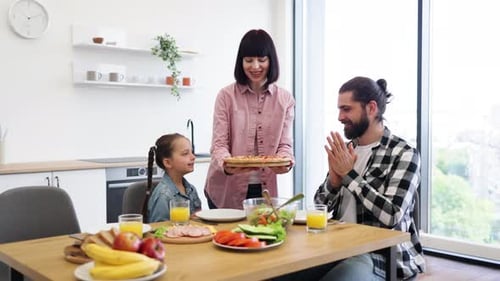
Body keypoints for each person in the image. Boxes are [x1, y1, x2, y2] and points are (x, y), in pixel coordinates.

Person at [311, 76, 425, 280]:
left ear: (371, 108)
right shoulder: (347, 150)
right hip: (336, 248)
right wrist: (334, 183)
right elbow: (319, 207)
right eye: (339, 109)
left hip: (380, 255)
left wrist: (349, 175)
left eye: (346, 109)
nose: (339, 116)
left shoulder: (404, 154)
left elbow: (392, 215)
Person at [204, 29, 295, 209]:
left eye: (262, 60)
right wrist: (227, 164)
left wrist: (286, 161)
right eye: (248, 60)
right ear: (241, 62)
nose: (255, 66)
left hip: (265, 189)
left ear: (271, 61)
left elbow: (285, 144)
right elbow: (219, 144)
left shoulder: (285, 99)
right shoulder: (226, 96)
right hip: (226, 188)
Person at [146, 133, 202, 223]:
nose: (193, 157)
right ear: (168, 163)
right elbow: (158, 230)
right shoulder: (163, 195)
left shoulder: (191, 189)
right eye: (185, 153)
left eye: (192, 152)